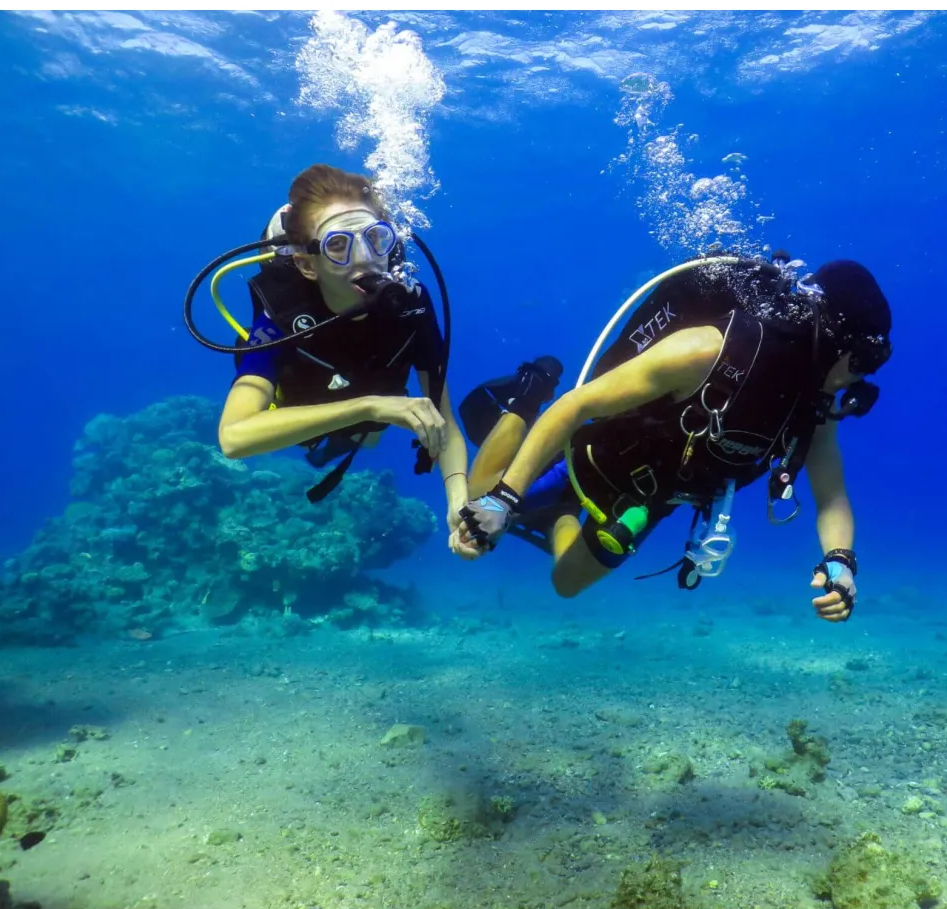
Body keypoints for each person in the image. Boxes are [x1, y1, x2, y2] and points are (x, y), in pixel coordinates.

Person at [454, 255, 893, 621]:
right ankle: (530, 393)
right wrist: (503, 500)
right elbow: (576, 405)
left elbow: (831, 493)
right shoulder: (711, 351)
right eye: (864, 361)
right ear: (835, 339)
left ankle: (559, 514)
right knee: (471, 505)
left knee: (565, 584)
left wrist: (841, 562)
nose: (860, 380)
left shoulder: (813, 403)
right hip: (596, 449)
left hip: (650, 496)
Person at [211, 164, 474, 552]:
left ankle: (348, 434)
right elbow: (233, 438)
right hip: (305, 407)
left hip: (367, 417)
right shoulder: (283, 316)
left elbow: (443, 419)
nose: (366, 258)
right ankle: (339, 435)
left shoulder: (412, 304)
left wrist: (458, 502)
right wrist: (368, 405)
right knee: (357, 427)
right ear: (305, 263)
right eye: (337, 245)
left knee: (367, 437)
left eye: (376, 238)